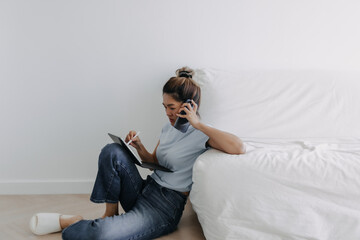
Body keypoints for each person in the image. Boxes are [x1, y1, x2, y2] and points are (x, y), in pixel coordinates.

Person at [29, 67, 246, 239]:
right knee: (112, 150)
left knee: (99, 234)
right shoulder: (168, 128)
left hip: (164, 208)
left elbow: (238, 147)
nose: (167, 113)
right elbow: (153, 162)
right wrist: (139, 146)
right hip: (146, 189)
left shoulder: (202, 135)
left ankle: (75, 222)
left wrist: (198, 124)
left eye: (171, 107)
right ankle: (110, 214)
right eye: (164, 107)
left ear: (188, 105)